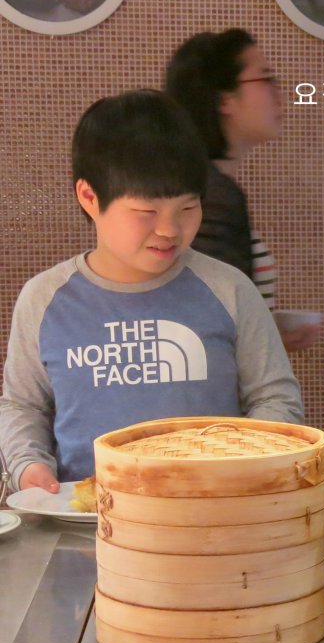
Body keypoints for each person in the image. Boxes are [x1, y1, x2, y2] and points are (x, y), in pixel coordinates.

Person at [0, 90, 303, 493]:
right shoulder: (44, 299)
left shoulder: (228, 289)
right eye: (146, 212)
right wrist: (27, 465)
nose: (169, 229)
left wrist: (242, 465)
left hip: (210, 510)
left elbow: (276, 397)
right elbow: (23, 405)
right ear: (89, 197)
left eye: (188, 208)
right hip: (87, 514)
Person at [165, 29, 321, 352]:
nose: (278, 92)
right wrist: (269, 341)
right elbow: (209, 329)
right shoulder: (213, 196)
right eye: (266, 79)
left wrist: (267, 331)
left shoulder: (200, 184)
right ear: (224, 99)